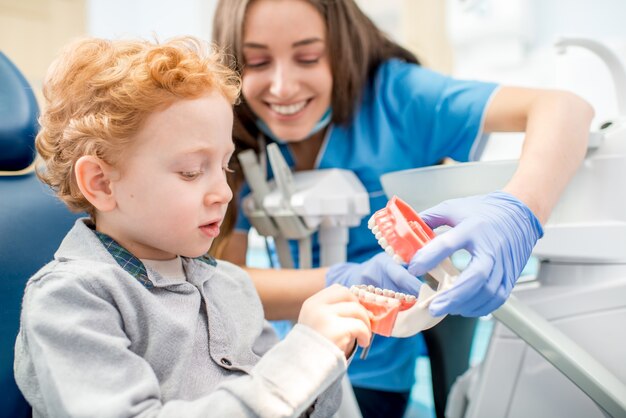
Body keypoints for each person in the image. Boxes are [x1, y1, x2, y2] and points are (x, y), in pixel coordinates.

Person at [211, 0, 594, 417]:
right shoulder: (231, 126)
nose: (282, 87)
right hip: (278, 364)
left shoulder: (397, 97)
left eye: (308, 57)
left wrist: (519, 210)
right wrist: (345, 281)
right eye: (257, 61)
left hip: (372, 374)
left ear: (342, 46)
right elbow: (223, 283)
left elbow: (565, 108)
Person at [14, 36, 375, 418]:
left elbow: (295, 406)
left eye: (225, 166)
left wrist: (326, 356)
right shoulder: (71, 301)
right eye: (190, 172)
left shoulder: (231, 287)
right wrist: (303, 360)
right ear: (101, 183)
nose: (222, 192)